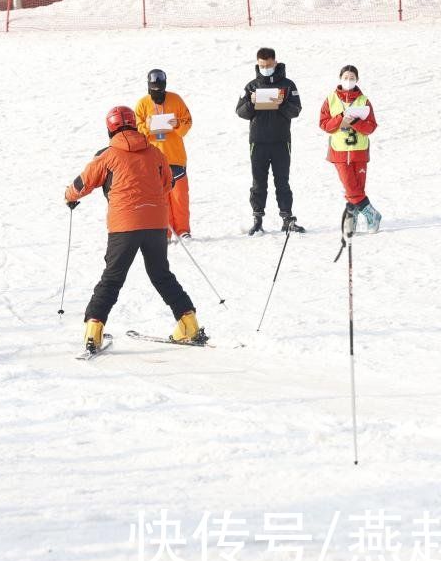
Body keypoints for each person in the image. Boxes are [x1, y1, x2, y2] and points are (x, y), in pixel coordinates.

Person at [64, 106, 206, 354]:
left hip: (124, 225)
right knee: (161, 275)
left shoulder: (107, 156)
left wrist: (69, 196)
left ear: (110, 128)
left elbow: (83, 182)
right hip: (156, 223)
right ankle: (189, 325)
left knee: (112, 278)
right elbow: (168, 183)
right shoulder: (155, 152)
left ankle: (93, 332)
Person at [236, 47, 305, 236]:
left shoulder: (288, 85)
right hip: (257, 142)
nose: (265, 68)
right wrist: (251, 102)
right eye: (261, 65)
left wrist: (282, 102)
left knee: (282, 181)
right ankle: (257, 219)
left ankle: (287, 218)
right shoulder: (251, 86)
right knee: (259, 182)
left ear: (275, 62)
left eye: (268, 65)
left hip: (281, 141)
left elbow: (296, 110)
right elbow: (240, 112)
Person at [318, 65, 381, 234]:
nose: (348, 81)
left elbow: (370, 127)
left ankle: (350, 221)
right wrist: (340, 118)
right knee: (350, 186)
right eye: (345, 77)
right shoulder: (331, 99)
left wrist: (355, 122)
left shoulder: (364, 101)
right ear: (340, 78)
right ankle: (373, 215)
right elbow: (324, 125)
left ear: (357, 80)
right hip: (339, 151)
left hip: (359, 151)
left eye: (352, 78)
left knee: (357, 188)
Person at [134, 69, 193, 240]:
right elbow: (136, 131)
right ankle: (165, 232)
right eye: (154, 90)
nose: (157, 93)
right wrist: (148, 126)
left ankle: (183, 230)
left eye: (160, 90)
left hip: (176, 157)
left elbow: (187, 124)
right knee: (161, 199)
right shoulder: (142, 104)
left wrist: (177, 124)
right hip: (153, 160)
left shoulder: (176, 100)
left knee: (180, 197)